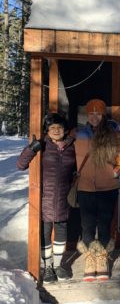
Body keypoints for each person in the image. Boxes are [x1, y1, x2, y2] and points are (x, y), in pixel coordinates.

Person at [17, 112, 76, 283]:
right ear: (47, 130)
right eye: (52, 127)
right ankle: (47, 267)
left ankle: (58, 265)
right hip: (44, 198)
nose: (56, 130)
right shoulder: (42, 145)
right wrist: (31, 148)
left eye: (59, 127)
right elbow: (20, 165)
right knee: (44, 234)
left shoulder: (73, 146)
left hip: (64, 197)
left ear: (65, 130)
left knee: (61, 232)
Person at [74, 99, 120, 281]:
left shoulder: (113, 133)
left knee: (104, 225)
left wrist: (116, 171)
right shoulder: (79, 133)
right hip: (85, 187)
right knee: (87, 226)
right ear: (87, 115)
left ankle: (102, 258)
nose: (94, 117)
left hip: (108, 187)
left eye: (98, 113)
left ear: (103, 115)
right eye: (91, 113)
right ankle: (90, 259)